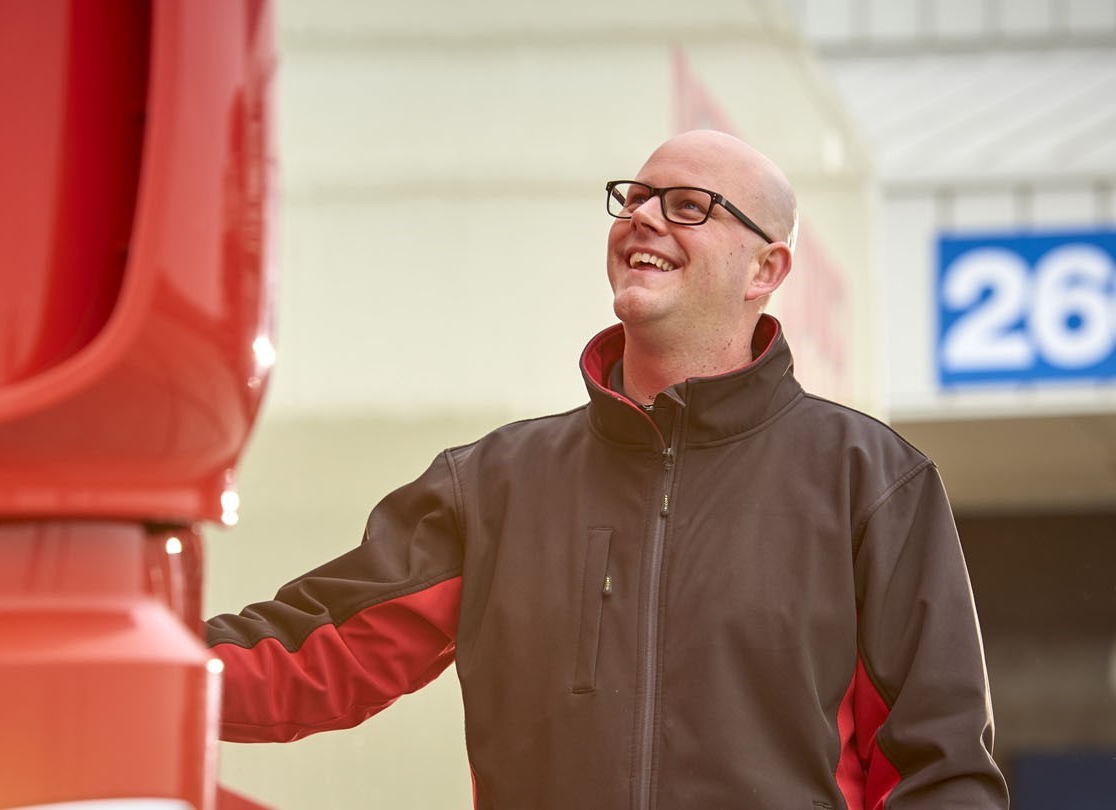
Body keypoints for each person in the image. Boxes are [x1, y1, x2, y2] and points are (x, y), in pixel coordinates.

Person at [206, 130, 1008, 809]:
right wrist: (116, 675)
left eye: (688, 205)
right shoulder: (494, 486)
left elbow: (941, 772)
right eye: (635, 198)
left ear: (765, 272)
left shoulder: (873, 483)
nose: (644, 217)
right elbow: (309, 656)